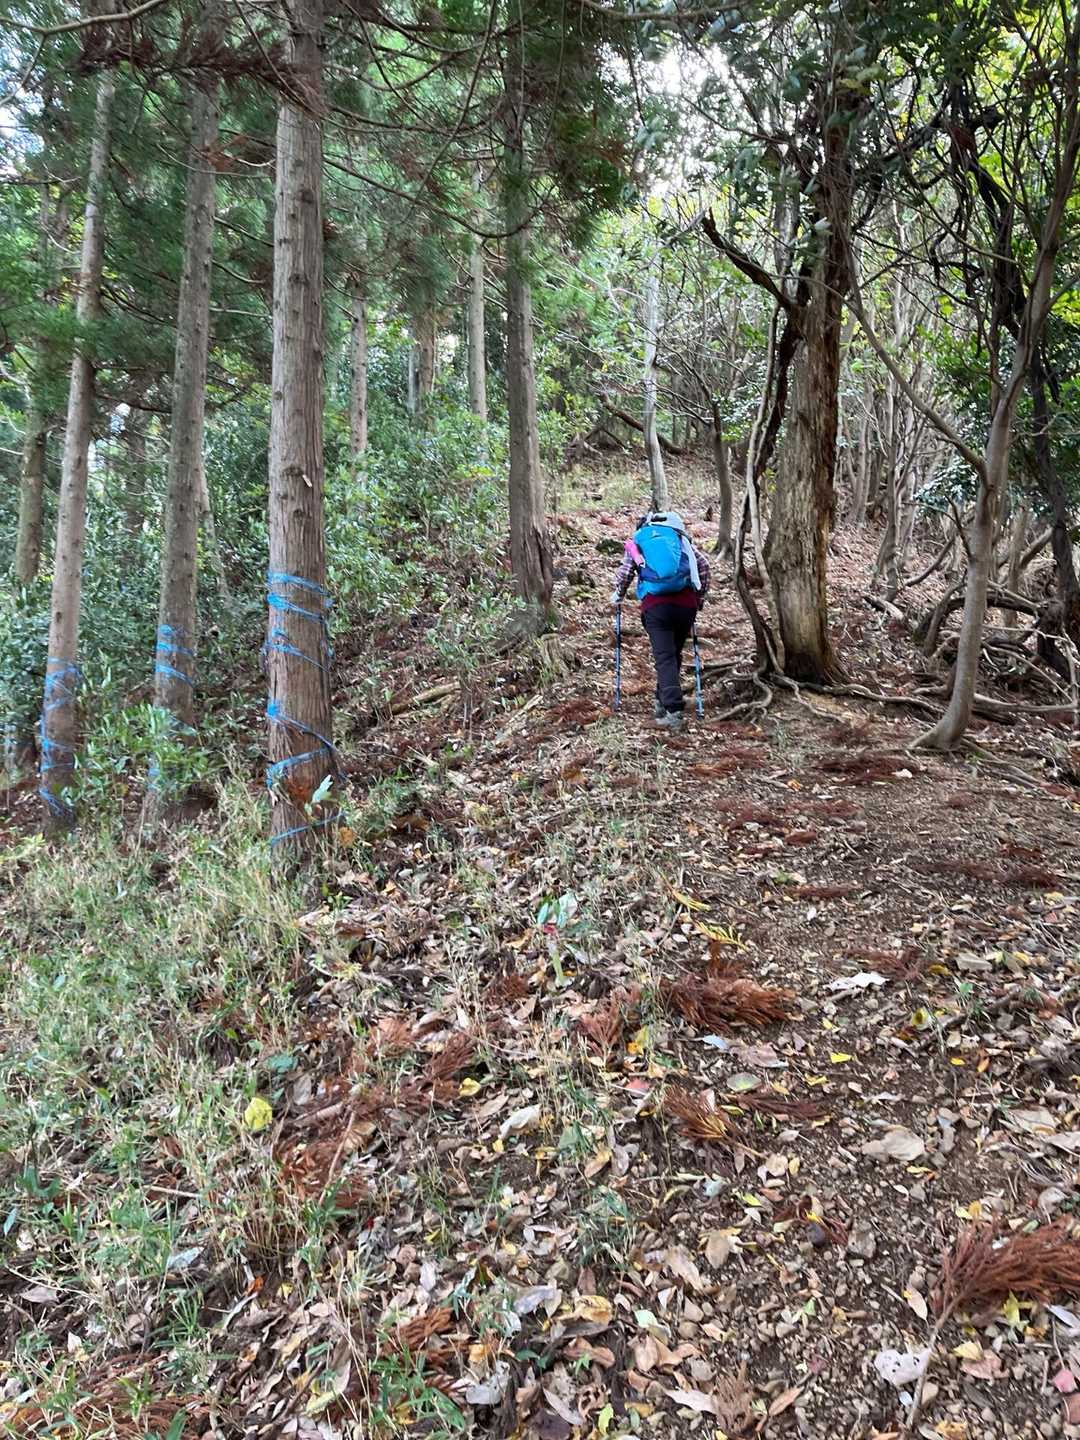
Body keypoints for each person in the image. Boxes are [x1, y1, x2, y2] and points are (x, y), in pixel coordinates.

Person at [610, 510, 710, 733]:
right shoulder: (680, 539)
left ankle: (673, 711)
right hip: (685, 606)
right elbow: (703, 566)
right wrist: (699, 599)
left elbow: (625, 573)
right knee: (672, 654)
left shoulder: (639, 541)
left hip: (656, 607)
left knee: (664, 657)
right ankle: (661, 700)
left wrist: (618, 595)